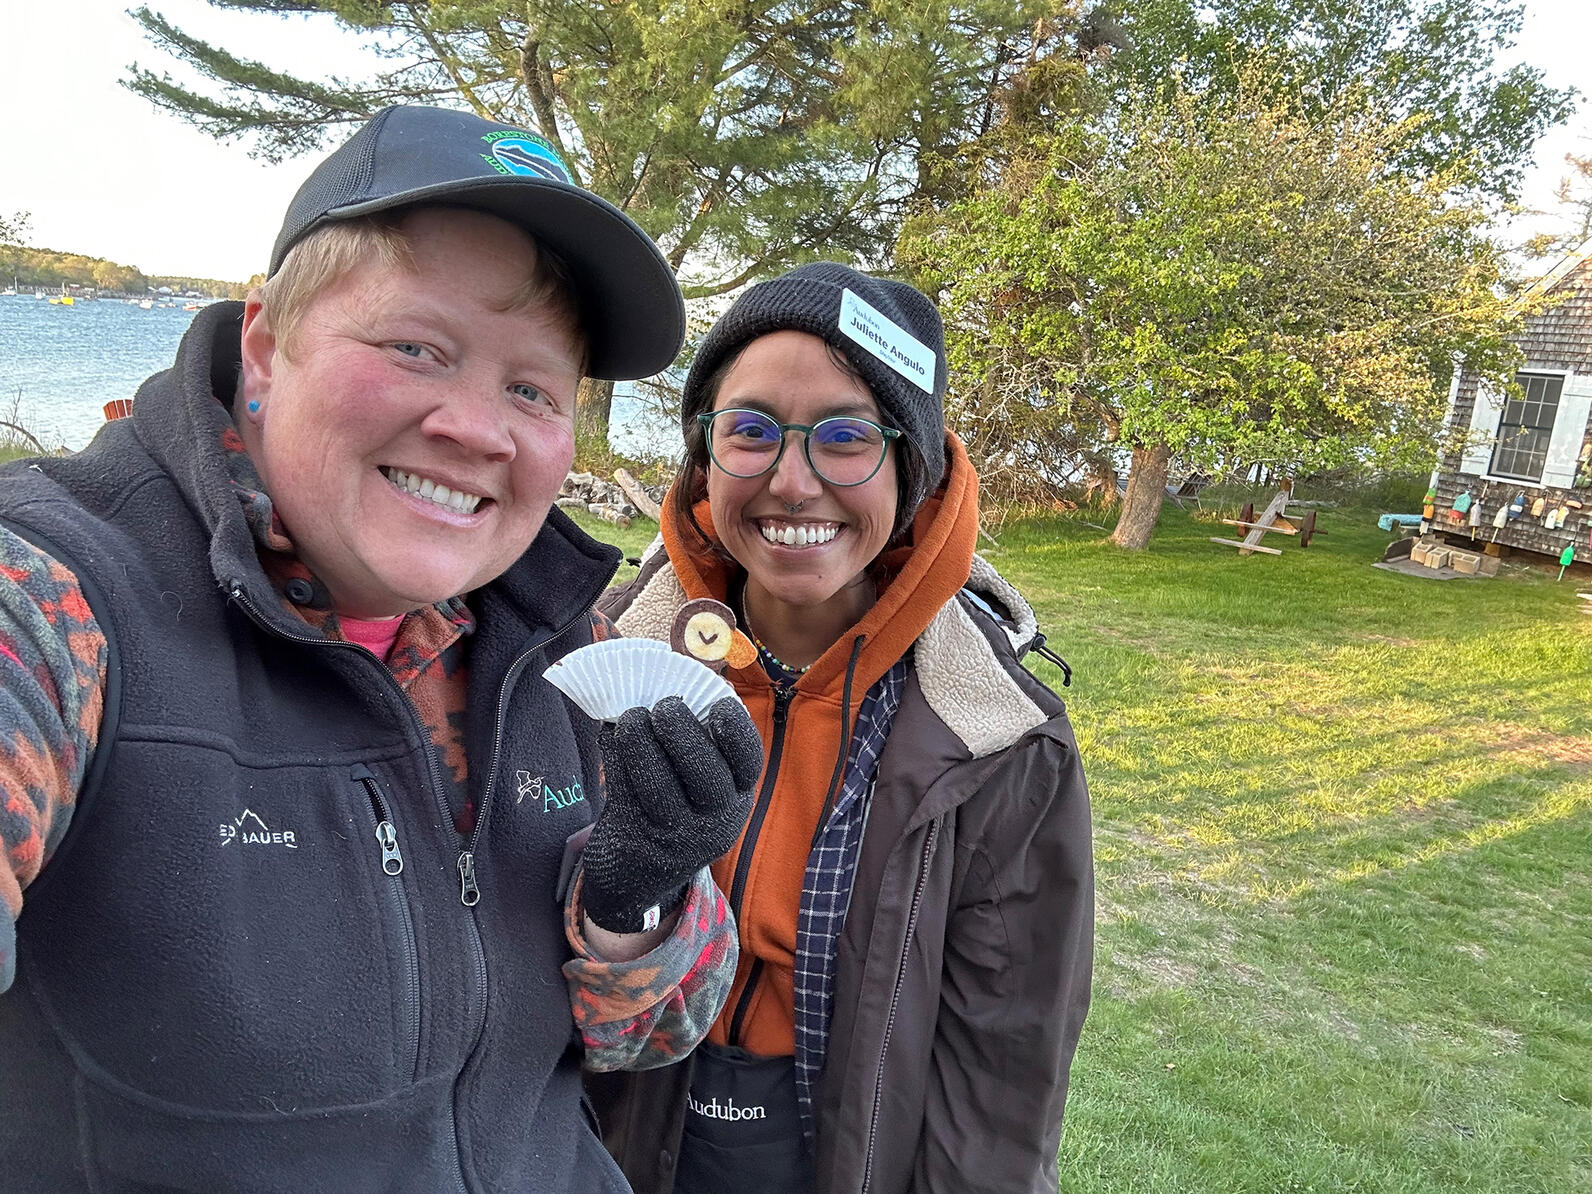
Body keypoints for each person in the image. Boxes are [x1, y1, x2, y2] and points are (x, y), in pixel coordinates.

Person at [0, 105, 764, 1193]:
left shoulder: (552, 642)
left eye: (531, 389)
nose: (476, 427)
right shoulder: (59, 599)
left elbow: (653, 1036)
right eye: (415, 348)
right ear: (266, 346)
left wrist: (634, 899)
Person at [590, 264, 1094, 1193]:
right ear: (703, 456)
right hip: (609, 1150)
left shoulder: (996, 741)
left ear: (914, 469)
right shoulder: (599, 666)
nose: (793, 481)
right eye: (749, 430)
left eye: (847, 437)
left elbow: (1004, 1074)